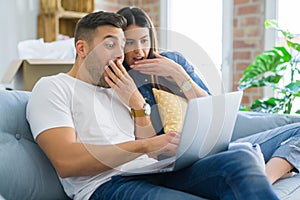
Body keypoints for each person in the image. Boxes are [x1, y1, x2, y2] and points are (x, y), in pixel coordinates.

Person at [26, 10, 280, 200]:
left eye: (121, 45)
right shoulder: (52, 87)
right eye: (110, 44)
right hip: (104, 186)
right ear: (82, 48)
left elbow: (148, 154)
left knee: (242, 157)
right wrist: (148, 143)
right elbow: (66, 161)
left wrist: (138, 106)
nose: (119, 54)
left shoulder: (120, 90)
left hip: (149, 172)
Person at [117, 6, 300, 185]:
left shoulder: (173, 61)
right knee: (246, 153)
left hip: (214, 143)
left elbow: (212, 108)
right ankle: (260, 172)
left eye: (144, 41)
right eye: (130, 43)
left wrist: (179, 74)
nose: (139, 51)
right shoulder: (122, 83)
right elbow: (144, 147)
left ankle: (265, 178)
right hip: (181, 160)